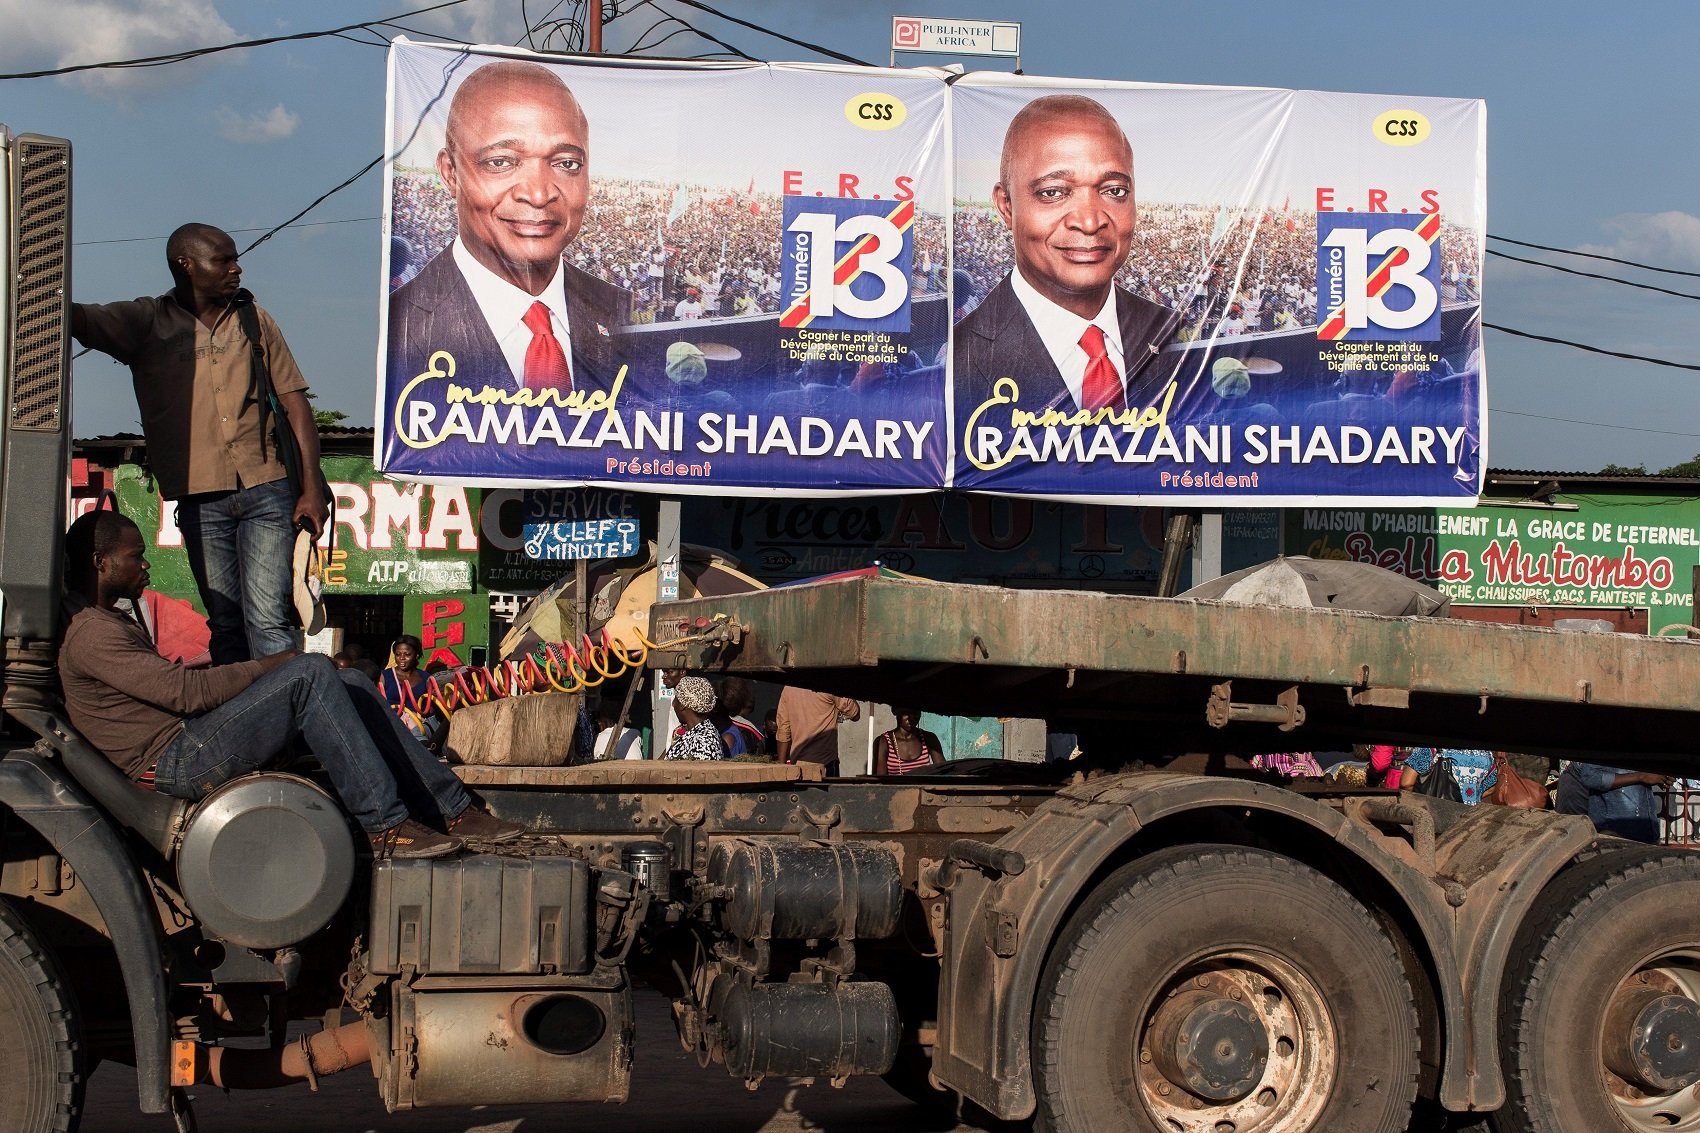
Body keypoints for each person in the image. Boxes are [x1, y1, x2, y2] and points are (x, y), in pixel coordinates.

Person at [57, 511, 523, 859]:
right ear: (100, 562)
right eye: (134, 557)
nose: (144, 567)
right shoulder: (92, 633)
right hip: (176, 760)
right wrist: (273, 665)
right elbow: (186, 693)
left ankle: (452, 809)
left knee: (350, 683)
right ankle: (386, 826)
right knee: (310, 673)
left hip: (189, 741)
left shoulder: (105, 620)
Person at [73, 223, 329, 666]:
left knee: (268, 618)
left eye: (234, 258)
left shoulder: (253, 318)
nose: (237, 267)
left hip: (267, 488)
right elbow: (75, 317)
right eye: (224, 260)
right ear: (186, 266)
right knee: (226, 623)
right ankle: (245, 727)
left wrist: (310, 489)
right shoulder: (147, 322)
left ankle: (287, 723)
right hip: (198, 498)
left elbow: (294, 403)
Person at [386, 59, 630, 399]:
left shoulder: (624, 314)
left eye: (566, 164)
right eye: (501, 162)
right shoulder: (398, 326)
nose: (538, 193)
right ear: (450, 172)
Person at [953, 94, 1182, 418]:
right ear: (1006, 206)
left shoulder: (1180, 337)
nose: (1090, 222)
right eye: (1053, 193)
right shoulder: (956, 361)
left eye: (1114, 191)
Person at [1556, 762, 1671, 844]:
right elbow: (1590, 777)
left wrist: (1660, 778)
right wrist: (1641, 776)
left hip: (1646, 831)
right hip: (1615, 833)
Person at [775, 686, 860, 776]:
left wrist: (781, 767)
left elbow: (783, 731)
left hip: (798, 767)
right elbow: (855, 714)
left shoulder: (788, 688)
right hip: (826, 765)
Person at [379, 634, 441, 747]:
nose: (402, 658)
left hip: (418, 723)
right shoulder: (385, 676)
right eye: (398, 654)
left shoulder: (426, 677)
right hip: (393, 723)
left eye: (407, 654)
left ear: (416, 655)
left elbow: (430, 709)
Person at [663, 677, 726, 761]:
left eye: (676, 699)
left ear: (682, 705)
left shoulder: (704, 742)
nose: (673, 704)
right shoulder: (692, 732)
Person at [872, 707, 945, 776]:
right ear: (895, 711)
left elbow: (943, 772)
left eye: (915, 712)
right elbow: (880, 780)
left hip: (922, 788)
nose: (911, 718)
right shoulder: (883, 742)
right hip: (895, 789)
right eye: (906, 712)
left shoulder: (929, 738)